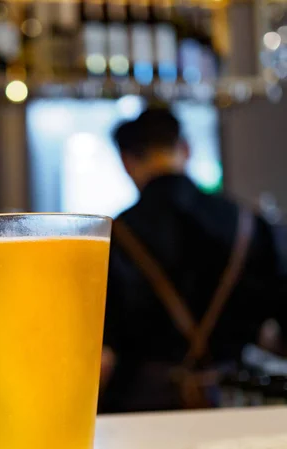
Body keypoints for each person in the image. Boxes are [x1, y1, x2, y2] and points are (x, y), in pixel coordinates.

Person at [100, 107, 286, 413]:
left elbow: (103, 353)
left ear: (127, 162)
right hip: (237, 404)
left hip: (140, 414)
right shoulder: (248, 223)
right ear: (185, 149)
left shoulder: (115, 236)